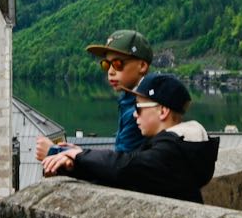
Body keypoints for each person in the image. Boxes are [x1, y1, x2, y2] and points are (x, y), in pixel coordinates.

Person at [41, 73, 220, 203]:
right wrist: (75, 164)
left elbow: (124, 167)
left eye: (139, 107)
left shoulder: (171, 153)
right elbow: (124, 176)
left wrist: (78, 154)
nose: (135, 114)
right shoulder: (182, 147)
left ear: (163, 111)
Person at [35, 29, 152, 161]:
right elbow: (120, 155)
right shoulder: (130, 98)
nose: (110, 72)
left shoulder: (143, 109)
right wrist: (78, 152)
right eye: (106, 64)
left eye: (118, 64)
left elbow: (119, 165)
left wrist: (56, 151)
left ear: (142, 66)